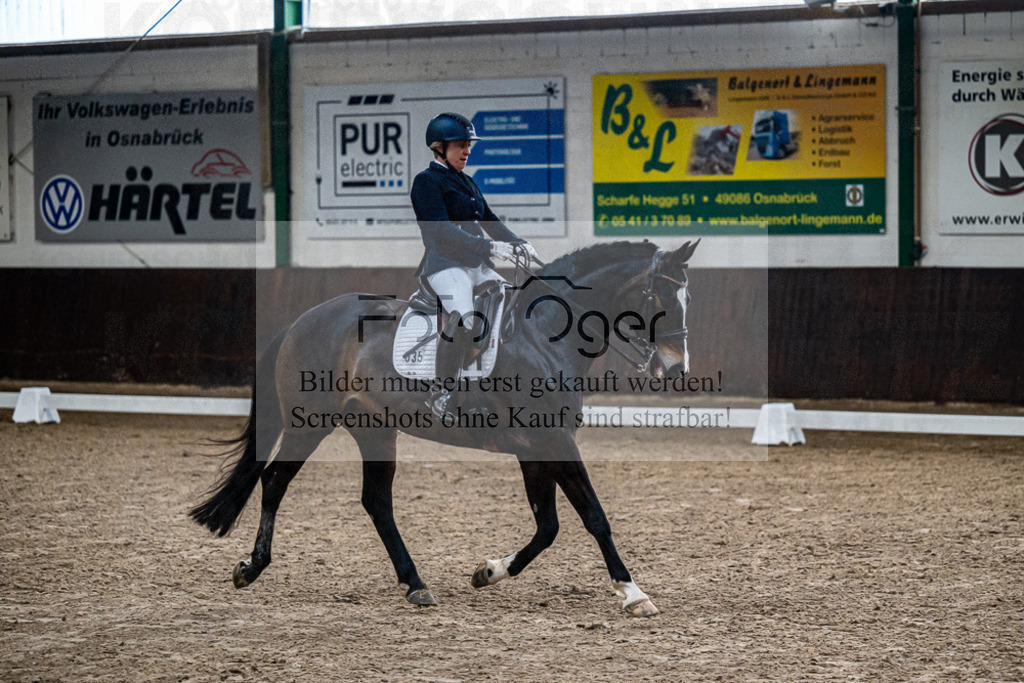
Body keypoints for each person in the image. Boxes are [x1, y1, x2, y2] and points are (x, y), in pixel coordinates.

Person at [410, 112, 539, 420]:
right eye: (460, 146)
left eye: (469, 145)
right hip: (444, 266)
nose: (467, 151)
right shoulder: (426, 182)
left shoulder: (467, 182)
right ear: (439, 148)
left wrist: (519, 243)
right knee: (464, 318)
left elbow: (489, 220)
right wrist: (490, 247)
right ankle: (441, 393)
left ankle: (491, 382)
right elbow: (439, 230)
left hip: (475, 264)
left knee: (509, 303)